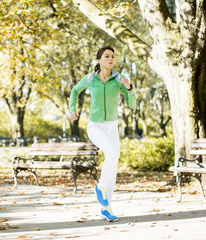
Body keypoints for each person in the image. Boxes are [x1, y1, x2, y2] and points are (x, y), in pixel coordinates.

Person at [69, 46, 136, 222]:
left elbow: (132, 104)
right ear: (99, 60)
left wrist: (129, 88)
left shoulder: (119, 79)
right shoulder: (90, 78)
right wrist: (72, 110)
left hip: (112, 127)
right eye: (107, 56)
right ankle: (100, 188)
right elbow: (75, 90)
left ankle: (106, 208)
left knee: (112, 165)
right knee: (113, 154)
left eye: (113, 56)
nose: (111, 58)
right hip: (95, 126)